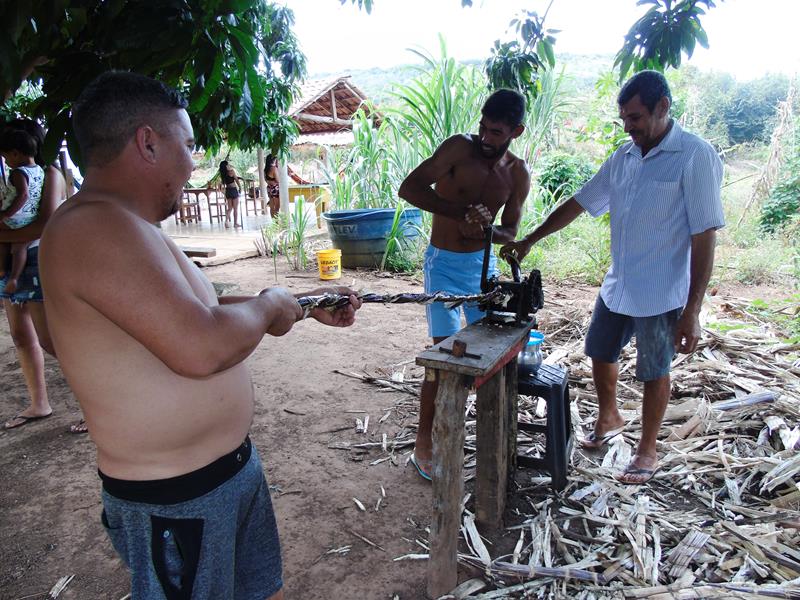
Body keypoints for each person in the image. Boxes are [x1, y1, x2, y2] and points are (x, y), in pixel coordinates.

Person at [39, 71, 360, 600]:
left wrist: (300, 306)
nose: (194, 162)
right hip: (176, 498)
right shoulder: (92, 228)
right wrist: (267, 306)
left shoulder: (127, 226)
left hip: (221, 476)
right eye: (188, 145)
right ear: (148, 142)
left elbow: (195, 313)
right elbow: (201, 344)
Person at [501, 70, 724, 484]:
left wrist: (693, 311)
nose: (629, 126)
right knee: (599, 350)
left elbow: (704, 235)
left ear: (663, 107)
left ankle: (647, 449)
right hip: (619, 283)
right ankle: (610, 417)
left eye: (636, 117)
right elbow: (580, 202)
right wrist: (530, 238)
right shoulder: (623, 157)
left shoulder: (695, 155)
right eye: (624, 118)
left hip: (661, 291)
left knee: (654, 370)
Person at [398, 89, 530, 480]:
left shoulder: (517, 173)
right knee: (441, 357)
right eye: (484, 128)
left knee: (487, 354)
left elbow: (510, 230)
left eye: (497, 132)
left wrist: (487, 228)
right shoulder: (458, 149)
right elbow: (409, 188)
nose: (487, 138)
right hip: (443, 266)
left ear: (516, 131)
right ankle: (424, 442)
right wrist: (460, 214)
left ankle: (482, 436)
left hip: (482, 269)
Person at [1, 119, 68, 430]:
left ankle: (95, 404)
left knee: (51, 341)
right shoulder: (13, 177)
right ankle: (38, 403)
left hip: (38, 258)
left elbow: (46, 224)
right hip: (13, 259)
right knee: (20, 336)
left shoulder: (49, 174)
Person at [0, 127, 44, 294]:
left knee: (2, 239)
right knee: (19, 248)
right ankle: (15, 278)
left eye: (6, 158)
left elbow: (23, 195)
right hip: (30, 217)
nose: (6, 162)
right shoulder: (39, 170)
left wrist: (6, 214)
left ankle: (2, 268)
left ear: (16, 153)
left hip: (15, 218)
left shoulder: (18, 173)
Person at [218, 159, 241, 228]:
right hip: (233, 190)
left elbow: (220, 186)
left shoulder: (223, 174)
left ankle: (226, 221)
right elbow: (236, 179)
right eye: (227, 164)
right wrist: (240, 187)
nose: (229, 165)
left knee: (230, 208)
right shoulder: (231, 172)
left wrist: (223, 192)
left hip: (228, 191)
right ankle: (235, 223)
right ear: (226, 166)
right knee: (235, 208)